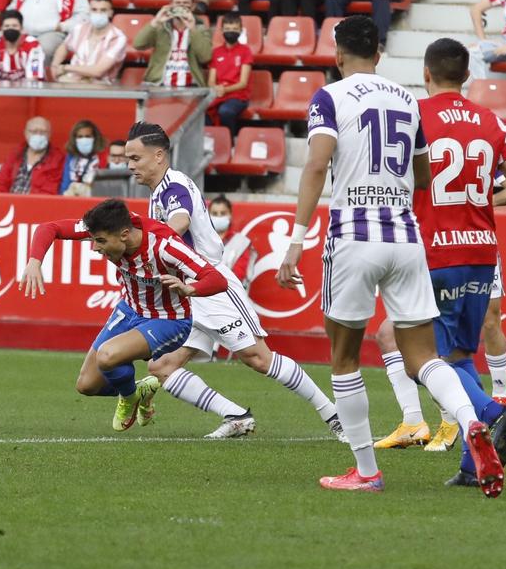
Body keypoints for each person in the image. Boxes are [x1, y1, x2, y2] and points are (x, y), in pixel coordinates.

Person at [276, 15, 503, 495]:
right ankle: (470, 421)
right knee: (422, 355)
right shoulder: (406, 99)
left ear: (337, 56)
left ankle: (365, 471)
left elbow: (317, 163)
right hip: (406, 236)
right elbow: (423, 176)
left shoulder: (330, 97)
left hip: (355, 233)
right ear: (379, 54)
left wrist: (296, 239)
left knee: (344, 358)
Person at [123, 121, 343, 440]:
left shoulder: (174, 187)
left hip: (210, 285)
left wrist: (156, 240)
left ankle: (333, 414)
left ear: (159, 156)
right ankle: (236, 416)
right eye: (128, 159)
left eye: (135, 158)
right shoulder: (159, 192)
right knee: (162, 367)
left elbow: (179, 220)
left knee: (258, 358)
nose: (130, 166)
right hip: (185, 293)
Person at [407, 39, 506, 462]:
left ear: (425, 73)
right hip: (482, 253)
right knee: (461, 357)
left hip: (433, 251)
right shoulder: (491, 121)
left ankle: (489, 410)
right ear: (468, 76)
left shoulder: (415, 116)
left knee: (421, 360)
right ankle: (473, 463)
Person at [19, 197, 227, 428]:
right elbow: (49, 227)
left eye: (100, 241)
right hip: (129, 310)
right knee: (87, 385)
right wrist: (34, 262)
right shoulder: (110, 227)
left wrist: (190, 288)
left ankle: (129, 397)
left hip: (169, 320)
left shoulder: (164, 245)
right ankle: (138, 390)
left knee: (107, 356)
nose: (95, 248)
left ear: (125, 235)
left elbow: (217, 280)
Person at [0, 115, 63, 195]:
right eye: (34, 132)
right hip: (9, 204)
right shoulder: (15, 154)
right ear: (25, 133)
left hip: (36, 205)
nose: (38, 135)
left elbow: (50, 192)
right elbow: (0, 184)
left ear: (50, 134)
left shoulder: (57, 159)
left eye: (43, 132)